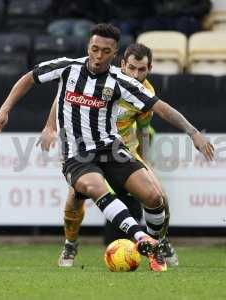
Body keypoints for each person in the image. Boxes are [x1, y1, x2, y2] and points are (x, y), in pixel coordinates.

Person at [0, 23, 214, 272]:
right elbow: (28, 78)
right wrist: (4, 110)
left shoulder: (121, 82)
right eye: (94, 49)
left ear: (114, 53)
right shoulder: (68, 67)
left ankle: (156, 246)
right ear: (88, 46)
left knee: (154, 197)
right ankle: (139, 239)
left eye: (105, 51)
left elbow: (160, 107)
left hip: (111, 148)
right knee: (91, 188)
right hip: (77, 154)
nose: (98, 56)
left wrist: (193, 132)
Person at [39, 43, 178, 268]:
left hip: (123, 149)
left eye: (141, 70)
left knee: (159, 196)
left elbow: (143, 128)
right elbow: (63, 96)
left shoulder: (146, 94)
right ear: (122, 64)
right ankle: (70, 244)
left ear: (149, 69)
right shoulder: (103, 78)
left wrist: (145, 160)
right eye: (131, 68)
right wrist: (49, 126)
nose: (136, 74)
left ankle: (160, 243)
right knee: (74, 199)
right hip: (88, 149)